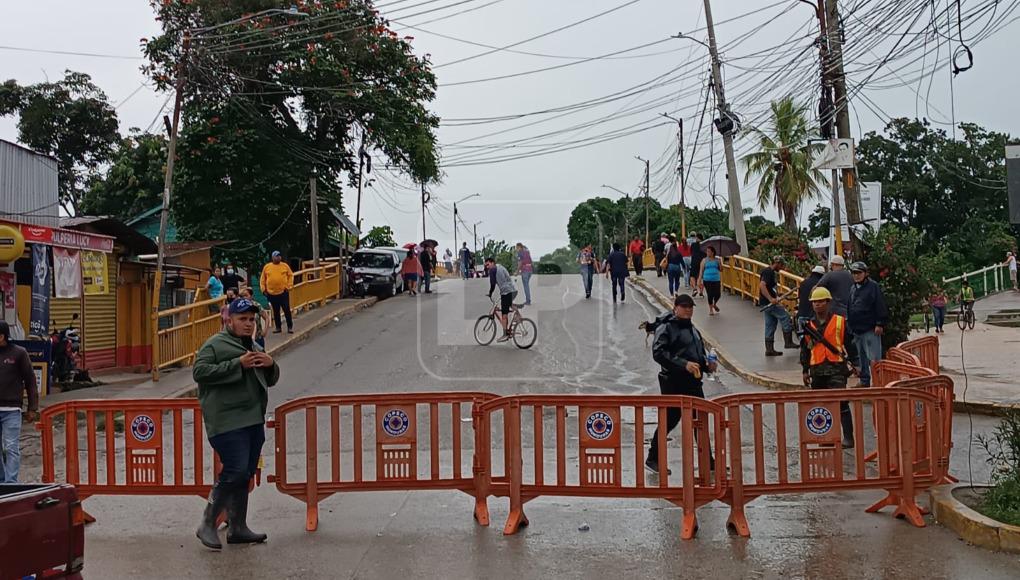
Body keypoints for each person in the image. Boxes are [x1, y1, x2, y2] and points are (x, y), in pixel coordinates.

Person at [193, 298, 279, 550]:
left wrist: (271, 364)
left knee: (245, 474)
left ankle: (238, 526)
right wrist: (236, 364)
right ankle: (208, 522)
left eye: (251, 319)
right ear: (228, 320)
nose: (248, 324)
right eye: (242, 319)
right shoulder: (215, 345)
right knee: (235, 470)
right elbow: (200, 372)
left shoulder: (252, 345)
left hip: (252, 419)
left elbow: (268, 379)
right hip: (227, 420)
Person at [645, 294, 717, 474]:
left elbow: (697, 354)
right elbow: (658, 353)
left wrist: (708, 366)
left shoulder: (692, 329)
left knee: (699, 420)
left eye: (690, 307)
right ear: (675, 308)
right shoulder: (666, 327)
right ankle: (653, 458)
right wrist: (683, 364)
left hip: (693, 383)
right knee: (669, 421)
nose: (688, 310)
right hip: (673, 383)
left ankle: (708, 462)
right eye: (684, 307)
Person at [800, 287, 859, 449]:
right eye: (815, 302)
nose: (817, 305)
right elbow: (805, 350)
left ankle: (848, 438)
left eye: (821, 301)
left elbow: (850, 343)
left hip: (836, 368)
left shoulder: (840, 321)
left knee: (841, 403)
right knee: (821, 405)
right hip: (817, 369)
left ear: (828, 302)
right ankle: (825, 437)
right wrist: (805, 370)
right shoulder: (808, 326)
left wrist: (856, 363)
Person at [0, 321, 38, 483]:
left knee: (11, 448)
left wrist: (32, 408)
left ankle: (11, 483)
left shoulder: (19, 353)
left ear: (2, 337)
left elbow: (30, 381)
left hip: (12, 410)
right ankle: (2, 481)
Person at [847, 262, 888, 387]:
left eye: (859, 273)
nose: (857, 276)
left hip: (870, 328)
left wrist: (880, 323)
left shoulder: (873, 286)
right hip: (857, 329)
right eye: (854, 273)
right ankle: (864, 381)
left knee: (874, 358)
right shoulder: (853, 288)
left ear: (865, 273)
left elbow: (879, 305)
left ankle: (878, 383)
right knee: (862, 357)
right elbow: (850, 306)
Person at [759, 256, 798, 356]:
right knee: (785, 316)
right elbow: (762, 285)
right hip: (769, 303)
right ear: (777, 263)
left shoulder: (767, 271)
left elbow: (769, 287)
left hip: (766, 302)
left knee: (770, 324)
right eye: (781, 265)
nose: (781, 268)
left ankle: (769, 349)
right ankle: (788, 342)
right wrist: (771, 299)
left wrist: (777, 294)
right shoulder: (769, 272)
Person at [259, 251, 294, 334]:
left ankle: (290, 327)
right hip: (271, 293)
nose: (278, 257)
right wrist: (263, 290)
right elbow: (262, 279)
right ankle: (278, 327)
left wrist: (288, 286)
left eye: (279, 256)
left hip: (283, 292)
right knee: (276, 311)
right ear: (272, 258)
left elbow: (290, 275)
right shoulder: (267, 267)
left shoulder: (285, 266)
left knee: (286, 310)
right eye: (276, 256)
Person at [486, 257, 518, 342]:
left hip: (506, 292)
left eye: (488, 264)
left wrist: (490, 293)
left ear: (492, 263)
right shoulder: (500, 266)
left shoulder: (493, 270)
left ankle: (505, 335)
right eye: (486, 265)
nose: (487, 267)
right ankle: (519, 318)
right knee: (509, 305)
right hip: (513, 289)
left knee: (504, 314)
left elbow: (492, 284)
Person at [797, 265, 826, 335]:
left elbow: (799, 296)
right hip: (813, 317)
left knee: (802, 338)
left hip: (801, 314)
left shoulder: (803, 282)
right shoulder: (821, 285)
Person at [699, 245, 723, 314]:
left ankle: (714, 304)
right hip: (707, 279)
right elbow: (701, 271)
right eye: (707, 251)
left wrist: (720, 263)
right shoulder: (704, 260)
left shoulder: (717, 260)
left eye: (709, 252)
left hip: (716, 279)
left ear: (713, 252)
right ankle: (711, 309)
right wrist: (699, 280)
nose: (708, 253)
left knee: (718, 294)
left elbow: (721, 269)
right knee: (710, 294)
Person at [690, 233, 705, 297]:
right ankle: (701, 291)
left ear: (697, 238)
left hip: (694, 262)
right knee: (701, 277)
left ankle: (695, 289)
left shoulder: (693, 245)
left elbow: (691, 252)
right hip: (702, 262)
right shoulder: (705, 245)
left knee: (692, 276)